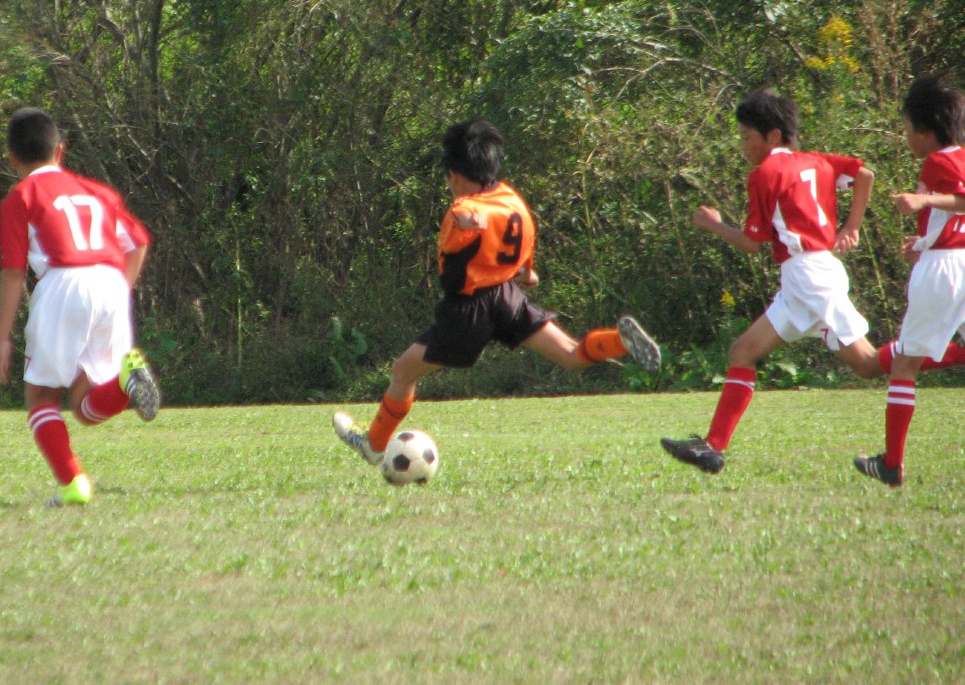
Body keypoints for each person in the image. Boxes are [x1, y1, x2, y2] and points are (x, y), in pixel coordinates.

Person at [659, 88, 965, 474]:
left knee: (872, 364)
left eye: (746, 137)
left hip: (810, 277)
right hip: (803, 277)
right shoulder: (818, 161)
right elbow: (864, 174)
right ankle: (713, 448)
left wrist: (714, 224)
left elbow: (753, 244)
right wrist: (851, 227)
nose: (743, 147)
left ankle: (954, 354)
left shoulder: (764, 174)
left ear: (773, 135)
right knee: (743, 351)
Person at [333, 119, 661, 466]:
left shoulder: (463, 207)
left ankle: (374, 445)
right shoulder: (513, 201)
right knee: (571, 355)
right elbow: (527, 272)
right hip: (507, 298)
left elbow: (465, 215)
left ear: (454, 175)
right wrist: (522, 273)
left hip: (468, 309)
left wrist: (466, 221)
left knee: (402, 371)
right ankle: (621, 341)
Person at [0, 107, 160, 507]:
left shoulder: (21, 196)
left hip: (63, 284)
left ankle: (72, 484)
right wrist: (118, 291)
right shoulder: (96, 192)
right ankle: (125, 381)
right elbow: (138, 242)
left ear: (12, 158)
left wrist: (2, 338)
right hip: (110, 282)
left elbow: (14, 273)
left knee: (41, 397)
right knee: (85, 406)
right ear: (60, 150)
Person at [854, 72, 965, 487]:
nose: (905, 138)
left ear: (925, 130)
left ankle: (891, 463)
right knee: (912, 356)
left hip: (944, 271)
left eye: (906, 128)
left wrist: (922, 199)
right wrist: (921, 244)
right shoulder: (961, 157)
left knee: (905, 363)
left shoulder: (938, 161)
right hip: (956, 258)